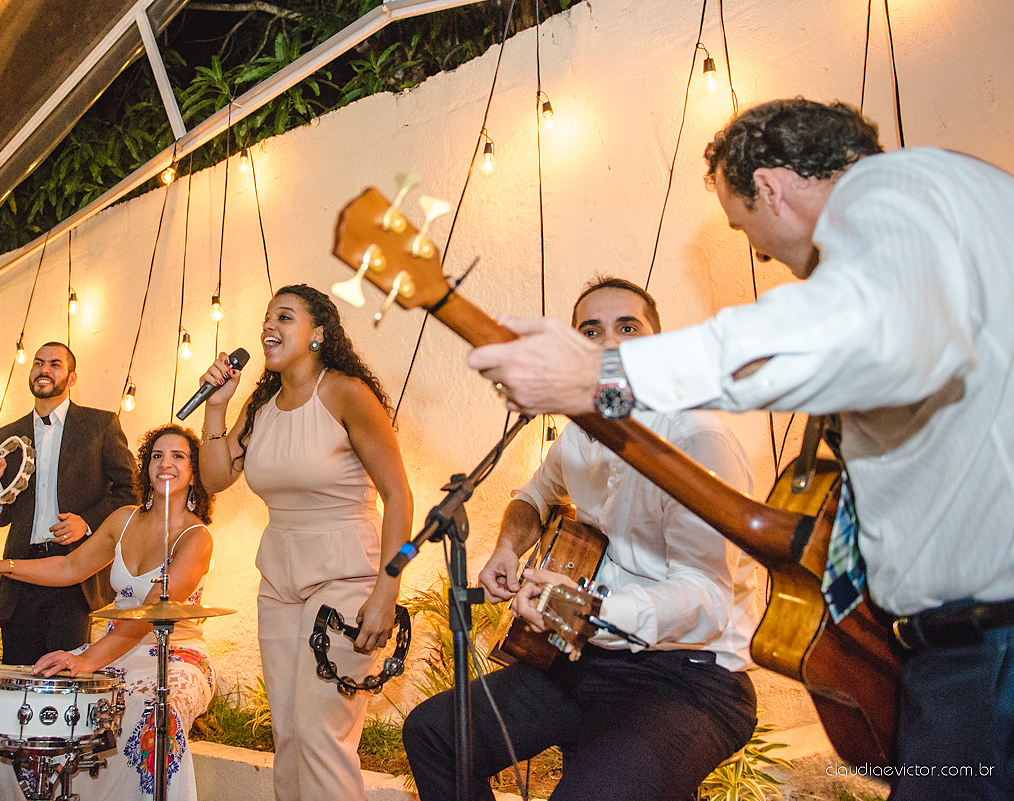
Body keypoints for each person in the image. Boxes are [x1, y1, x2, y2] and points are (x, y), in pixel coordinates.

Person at [467, 99, 1014, 800]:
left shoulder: (891, 199)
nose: (761, 253)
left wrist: (601, 376)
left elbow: (846, 330)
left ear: (771, 189)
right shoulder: (968, 195)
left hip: (988, 639)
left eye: (743, 227)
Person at [403, 278, 760, 801]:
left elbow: (709, 597)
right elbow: (533, 496)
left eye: (628, 328)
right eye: (590, 331)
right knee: (435, 734)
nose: (608, 341)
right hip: (586, 659)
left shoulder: (696, 438)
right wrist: (507, 548)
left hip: (689, 677)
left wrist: (591, 610)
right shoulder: (576, 435)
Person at [197, 284, 414, 801]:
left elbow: (398, 496)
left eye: (284, 317)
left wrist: (386, 592)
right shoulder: (261, 407)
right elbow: (214, 479)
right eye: (267, 317)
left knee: (321, 736)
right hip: (279, 582)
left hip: (346, 577)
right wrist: (216, 407)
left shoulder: (346, 393)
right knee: (290, 734)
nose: (268, 326)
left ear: (318, 333)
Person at [0, 424, 216, 801]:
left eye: (179, 456)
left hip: (176, 657)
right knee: (39, 698)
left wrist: (86, 660)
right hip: (114, 650)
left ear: (194, 473)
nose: (166, 464)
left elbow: (149, 614)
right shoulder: (123, 519)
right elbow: (69, 567)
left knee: (156, 714)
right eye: (157, 455)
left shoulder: (197, 537)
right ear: (146, 467)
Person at [0, 341, 137, 666]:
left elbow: (131, 490)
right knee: (17, 675)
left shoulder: (100, 425)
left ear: (72, 378)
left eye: (55, 364)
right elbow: (0, 517)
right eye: (38, 363)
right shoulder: (9, 433)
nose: (44, 369)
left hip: (74, 574)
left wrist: (87, 522)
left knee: (64, 677)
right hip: (19, 573)